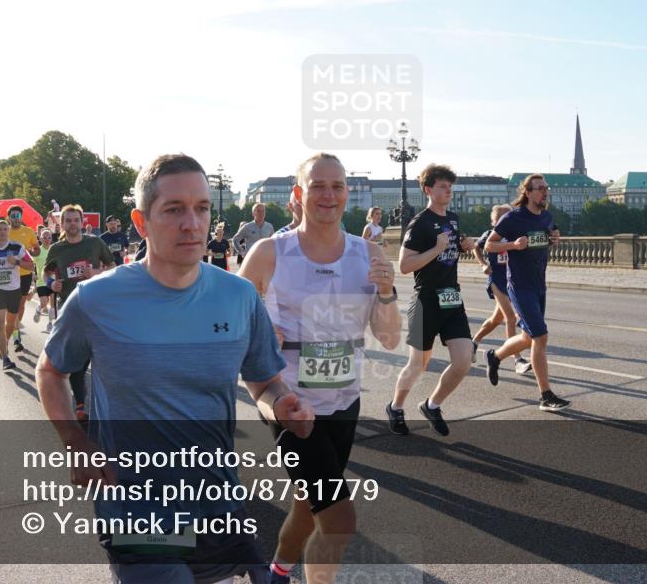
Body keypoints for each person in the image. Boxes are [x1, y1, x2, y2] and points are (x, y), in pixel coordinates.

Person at [36, 153, 314, 584]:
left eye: (201, 208)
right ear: (141, 221)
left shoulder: (239, 297)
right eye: (174, 209)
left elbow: (264, 383)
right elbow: (50, 371)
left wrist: (282, 405)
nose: (192, 223)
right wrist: (74, 440)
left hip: (217, 502)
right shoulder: (96, 299)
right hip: (135, 511)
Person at [240, 153, 401, 584]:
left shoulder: (368, 254)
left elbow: (389, 338)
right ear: (299, 194)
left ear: (347, 194)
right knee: (339, 518)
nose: (328, 195)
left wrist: (387, 292)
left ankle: (276, 572)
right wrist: (261, 330)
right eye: (317, 186)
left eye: (337, 186)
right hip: (291, 403)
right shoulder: (270, 252)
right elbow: (232, 320)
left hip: (345, 400)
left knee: (307, 505)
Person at [386, 164, 476, 437]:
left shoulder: (453, 218)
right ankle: (396, 407)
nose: (448, 191)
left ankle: (432, 405)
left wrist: (464, 245)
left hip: (452, 298)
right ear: (428, 190)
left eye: (450, 187)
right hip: (426, 300)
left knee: (463, 361)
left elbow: (452, 246)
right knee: (418, 364)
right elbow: (405, 265)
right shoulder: (420, 222)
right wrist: (437, 249)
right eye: (442, 187)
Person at [484, 174, 570, 412]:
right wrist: (512, 245)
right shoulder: (513, 218)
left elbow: (548, 237)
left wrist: (554, 239)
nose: (545, 191)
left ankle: (495, 357)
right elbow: (489, 244)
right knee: (540, 336)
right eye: (540, 188)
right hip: (519, 286)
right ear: (528, 192)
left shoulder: (546, 217)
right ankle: (546, 396)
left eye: (546, 188)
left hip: (539, 284)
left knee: (527, 338)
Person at [43, 204, 115, 423]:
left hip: (96, 307)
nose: (73, 224)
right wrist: (51, 283)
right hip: (70, 309)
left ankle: (104, 404)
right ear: (62, 224)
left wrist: (96, 272)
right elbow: (46, 273)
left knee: (100, 357)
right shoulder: (57, 249)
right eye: (68, 220)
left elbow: (113, 267)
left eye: (76, 220)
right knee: (77, 360)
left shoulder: (94, 243)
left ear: (82, 222)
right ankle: (81, 405)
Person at [471, 204, 531, 374]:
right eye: (501, 219)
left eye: (508, 217)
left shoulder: (515, 234)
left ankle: (474, 342)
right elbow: (476, 247)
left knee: (496, 320)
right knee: (510, 318)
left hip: (512, 280)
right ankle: (517, 359)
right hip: (496, 280)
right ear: (494, 222)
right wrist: (483, 264)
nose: (506, 221)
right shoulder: (489, 235)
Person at [0, 220, 34, 371]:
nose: (2, 232)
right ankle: (5, 358)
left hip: (14, 290)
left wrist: (16, 262)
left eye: (5, 229)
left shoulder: (17, 247)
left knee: (11, 324)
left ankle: (5, 344)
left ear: (8, 231)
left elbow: (31, 266)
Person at [7, 205, 40, 352]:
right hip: (9, 275)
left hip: (25, 274)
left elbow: (36, 249)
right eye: (13, 216)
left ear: (21, 217)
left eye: (18, 216)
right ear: (9, 218)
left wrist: (33, 251)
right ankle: (16, 336)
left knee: (20, 306)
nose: (16, 218)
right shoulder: (4, 231)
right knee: (11, 306)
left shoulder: (29, 231)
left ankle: (16, 329)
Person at [31, 229, 55, 325]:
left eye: (49, 237)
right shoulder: (38, 251)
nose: (47, 239)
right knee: (44, 303)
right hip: (41, 281)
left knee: (53, 305)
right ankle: (38, 309)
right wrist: (33, 274)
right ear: (40, 238)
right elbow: (32, 264)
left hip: (53, 280)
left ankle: (50, 324)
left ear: (51, 238)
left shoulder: (54, 250)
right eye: (44, 237)